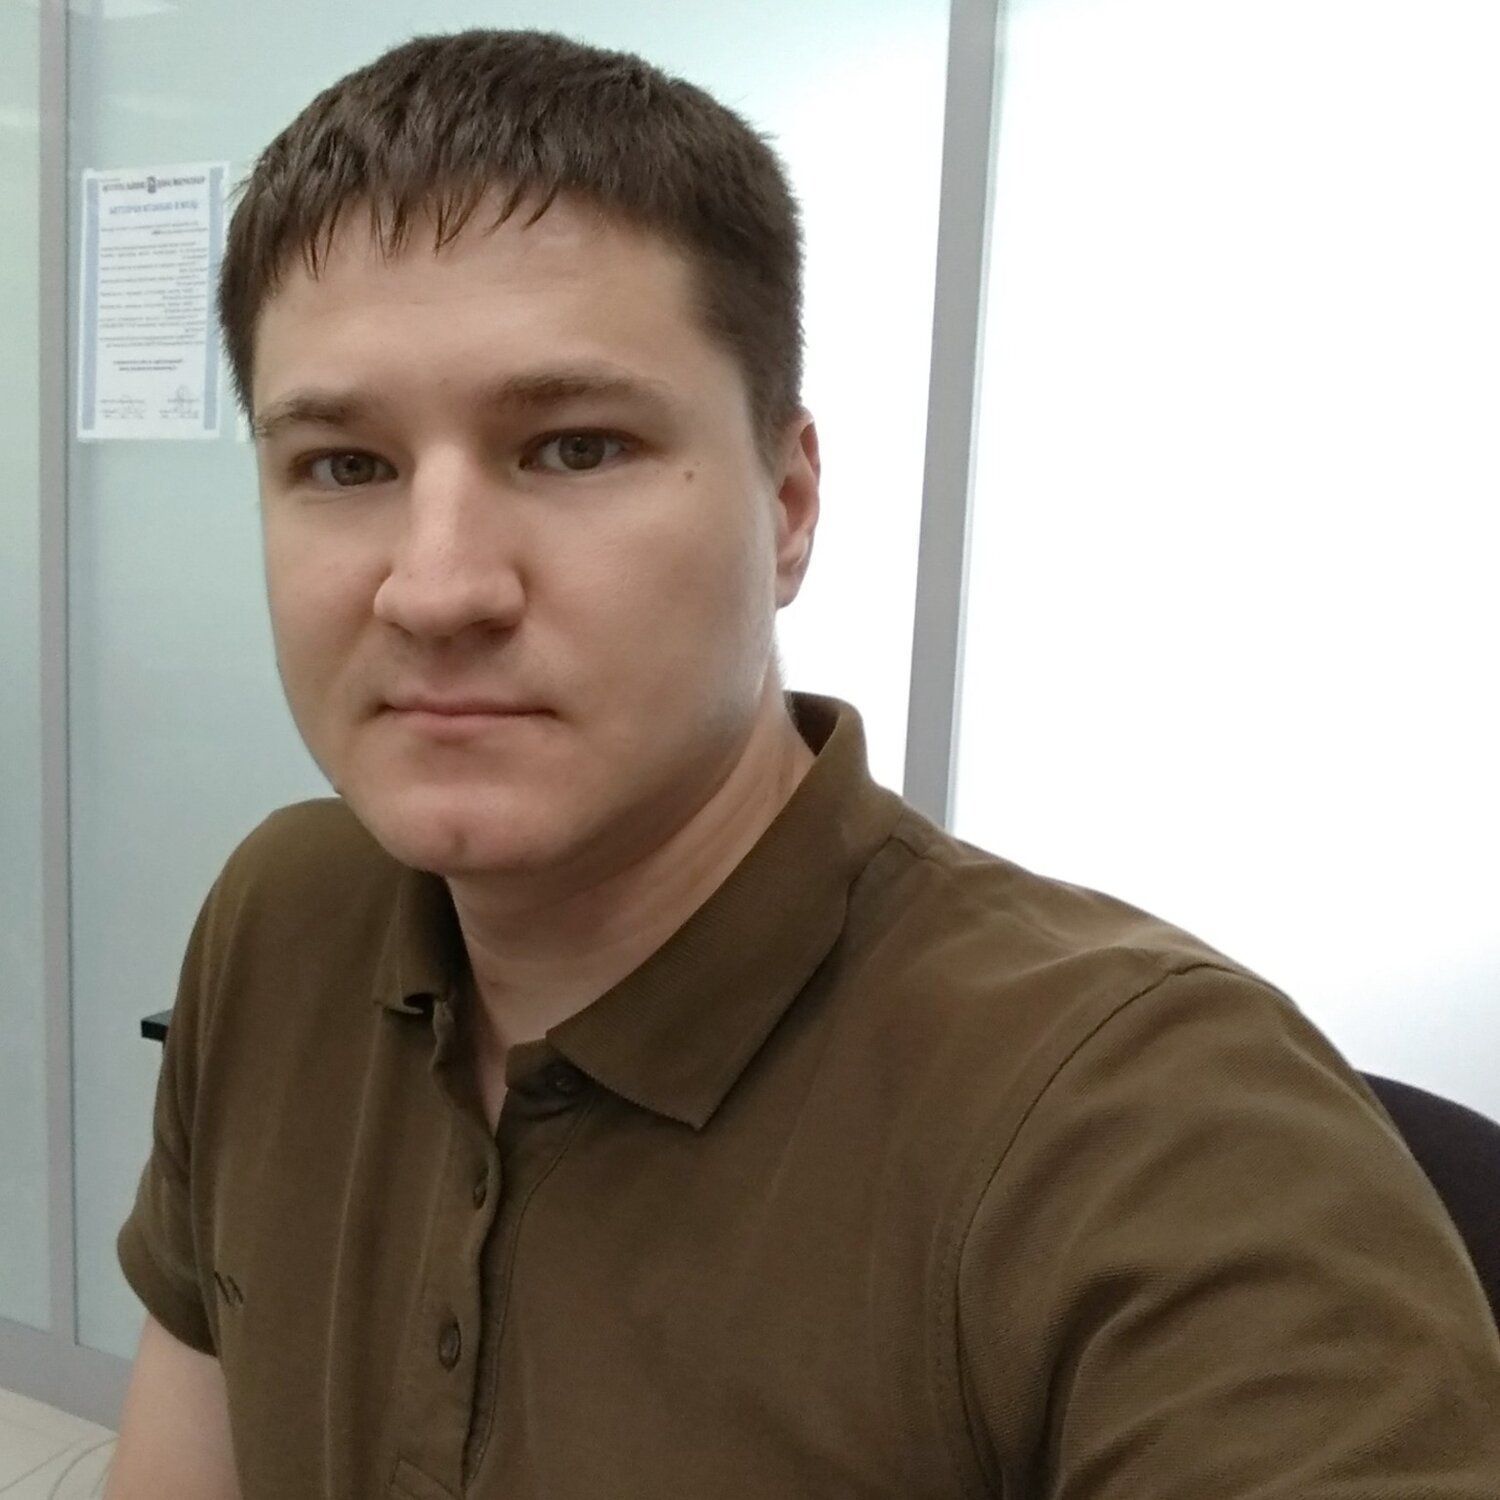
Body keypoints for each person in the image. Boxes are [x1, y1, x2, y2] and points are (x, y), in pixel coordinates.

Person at [106, 27, 1500, 1500]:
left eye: (575, 448)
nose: (438, 589)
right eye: (344, 466)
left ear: (786, 504)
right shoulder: (282, 920)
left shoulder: (1158, 1137)